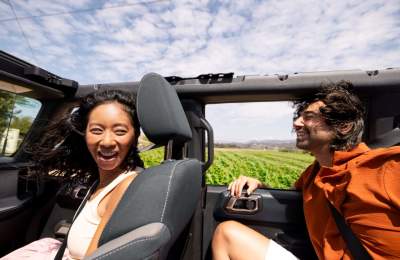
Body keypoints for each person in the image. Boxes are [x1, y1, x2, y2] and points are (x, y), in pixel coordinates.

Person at [212, 81, 400, 260]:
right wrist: (260, 185)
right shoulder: (313, 174)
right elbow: (291, 201)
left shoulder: (387, 166)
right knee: (227, 233)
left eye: (309, 117)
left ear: (343, 126)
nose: (297, 123)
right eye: (298, 117)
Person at [2, 89, 144, 260]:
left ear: (134, 136)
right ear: (84, 135)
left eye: (120, 131)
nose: (107, 141)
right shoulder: (104, 178)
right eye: (97, 130)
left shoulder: (125, 186)